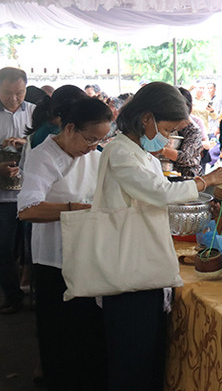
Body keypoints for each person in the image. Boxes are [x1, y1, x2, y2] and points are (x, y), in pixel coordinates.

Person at [96, 82, 222, 391]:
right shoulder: (120, 152)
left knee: (150, 361)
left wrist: (213, 202)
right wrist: (204, 181)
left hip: (145, 266)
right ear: (147, 119)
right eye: (167, 128)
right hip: (127, 272)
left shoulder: (139, 153)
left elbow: (163, 199)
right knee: (132, 364)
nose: (167, 138)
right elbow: (159, 193)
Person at [18, 96, 113, 391]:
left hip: (89, 257)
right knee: (59, 339)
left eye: (100, 140)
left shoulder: (94, 157)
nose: (92, 146)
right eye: (89, 138)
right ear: (70, 128)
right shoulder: (43, 156)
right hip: (54, 262)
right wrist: (74, 209)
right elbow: (27, 210)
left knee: (88, 335)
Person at [0, 66, 34, 314]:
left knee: (33, 248)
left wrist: (26, 142)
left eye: (19, 93)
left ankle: (36, 297)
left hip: (31, 193)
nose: (13, 99)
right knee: (3, 248)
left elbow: (47, 143)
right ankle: (13, 296)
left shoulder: (34, 113)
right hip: (3, 197)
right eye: (7, 93)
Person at [156, 88, 204, 177]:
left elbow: (186, 157)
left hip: (187, 176)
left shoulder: (193, 130)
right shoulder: (162, 124)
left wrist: (161, 149)